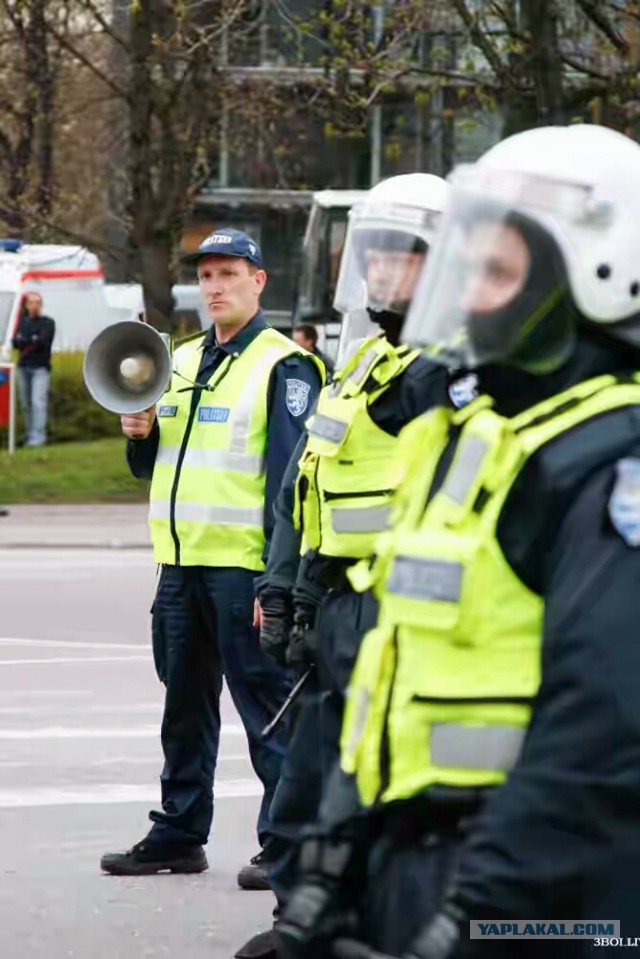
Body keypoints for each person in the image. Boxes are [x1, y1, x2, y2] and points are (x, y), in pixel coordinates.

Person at [275, 124, 640, 959]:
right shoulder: (475, 438)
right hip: (424, 864)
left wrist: (482, 913)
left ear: (594, 279)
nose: (471, 292)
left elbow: (603, 728)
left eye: (500, 269)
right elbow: (392, 674)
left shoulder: (610, 460)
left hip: (551, 893)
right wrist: (330, 866)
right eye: (463, 266)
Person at [236, 174, 478, 959]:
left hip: (396, 606)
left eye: (398, 257)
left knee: (378, 778)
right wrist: (287, 582)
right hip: (336, 597)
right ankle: (305, 920)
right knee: (313, 778)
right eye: (369, 256)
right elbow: (303, 482)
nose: (377, 272)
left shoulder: (444, 369)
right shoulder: (366, 357)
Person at [100, 229, 325, 878]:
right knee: (184, 707)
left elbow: (292, 481)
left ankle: (287, 846)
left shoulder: (284, 365)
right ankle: (178, 831)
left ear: (259, 280)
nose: (215, 286)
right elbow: (154, 465)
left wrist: (276, 579)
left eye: (229, 272)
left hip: (244, 568)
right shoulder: (183, 358)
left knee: (267, 709)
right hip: (181, 565)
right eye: (205, 276)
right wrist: (138, 432)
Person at [11, 292, 55, 447]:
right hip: (23, 367)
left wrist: (27, 340)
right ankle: (30, 434)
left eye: (37, 302)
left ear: (41, 305)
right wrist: (31, 340)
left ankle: (39, 436)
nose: (35, 305)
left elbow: (43, 342)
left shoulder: (48, 323)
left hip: (40, 368)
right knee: (25, 403)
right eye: (31, 302)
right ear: (26, 305)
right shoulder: (21, 323)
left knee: (38, 402)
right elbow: (15, 342)